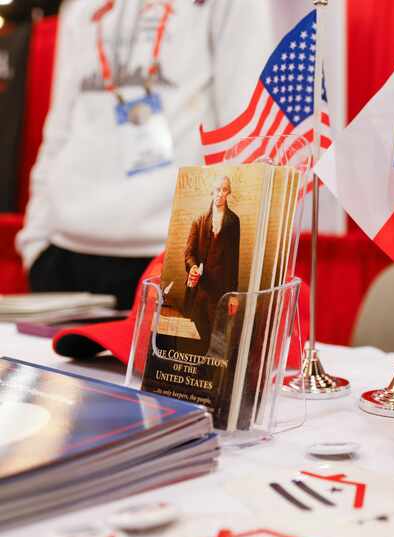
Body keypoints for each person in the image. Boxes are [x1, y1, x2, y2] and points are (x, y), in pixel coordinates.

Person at [16, 0, 276, 309]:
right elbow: (59, 128)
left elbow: (243, 129)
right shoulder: (79, 5)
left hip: (171, 254)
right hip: (63, 255)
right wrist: (36, 244)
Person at [183, 175, 240, 350]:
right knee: (195, 340)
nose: (220, 194)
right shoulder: (199, 220)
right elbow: (189, 253)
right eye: (217, 189)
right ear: (212, 191)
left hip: (220, 292)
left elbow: (233, 261)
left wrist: (233, 295)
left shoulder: (233, 221)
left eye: (224, 190)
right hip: (199, 289)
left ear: (228, 192)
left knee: (218, 340)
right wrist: (192, 267)